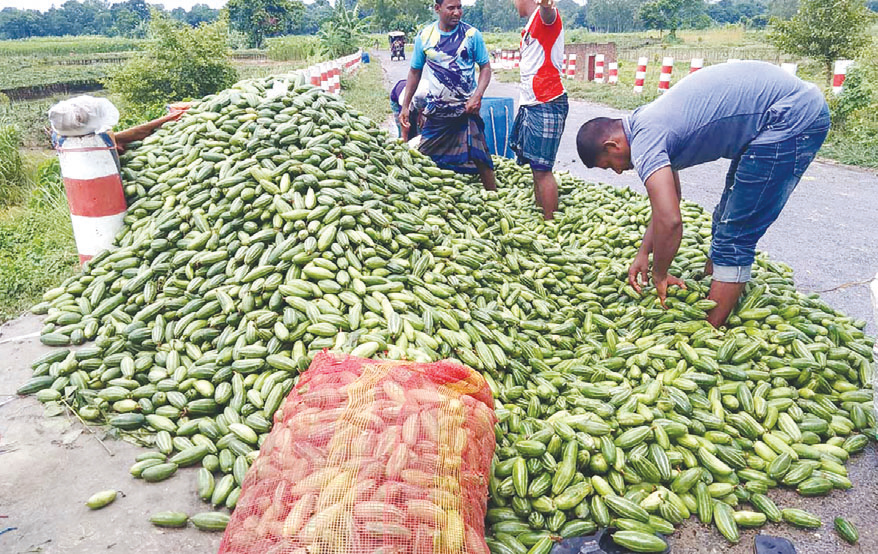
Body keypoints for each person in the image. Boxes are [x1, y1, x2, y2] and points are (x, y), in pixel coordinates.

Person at [575, 61, 830, 327]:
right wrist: (644, 253)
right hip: (780, 112)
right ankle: (719, 283)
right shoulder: (644, 122)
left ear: (611, 145)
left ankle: (710, 330)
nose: (617, 172)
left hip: (789, 118)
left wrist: (659, 273)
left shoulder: (644, 142)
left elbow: (671, 221)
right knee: (725, 216)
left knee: (736, 233)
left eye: (609, 165)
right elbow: (670, 203)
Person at [399, 0, 497, 190]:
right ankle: (426, 195)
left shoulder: (471, 35)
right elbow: (415, 72)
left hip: (466, 109)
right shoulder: (425, 37)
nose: (457, 12)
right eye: (451, 8)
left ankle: (494, 198)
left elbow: (485, 67)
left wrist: (477, 96)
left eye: (459, 7)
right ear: (437, 9)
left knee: (481, 156)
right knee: (424, 156)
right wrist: (405, 105)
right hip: (437, 111)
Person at [510, 0, 568, 219]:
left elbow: (549, 14)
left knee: (543, 169)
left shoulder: (545, 17)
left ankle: (550, 221)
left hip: (546, 101)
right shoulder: (531, 24)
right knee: (536, 167)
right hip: (532, 102)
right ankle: (540, 212)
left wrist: (545, 4)